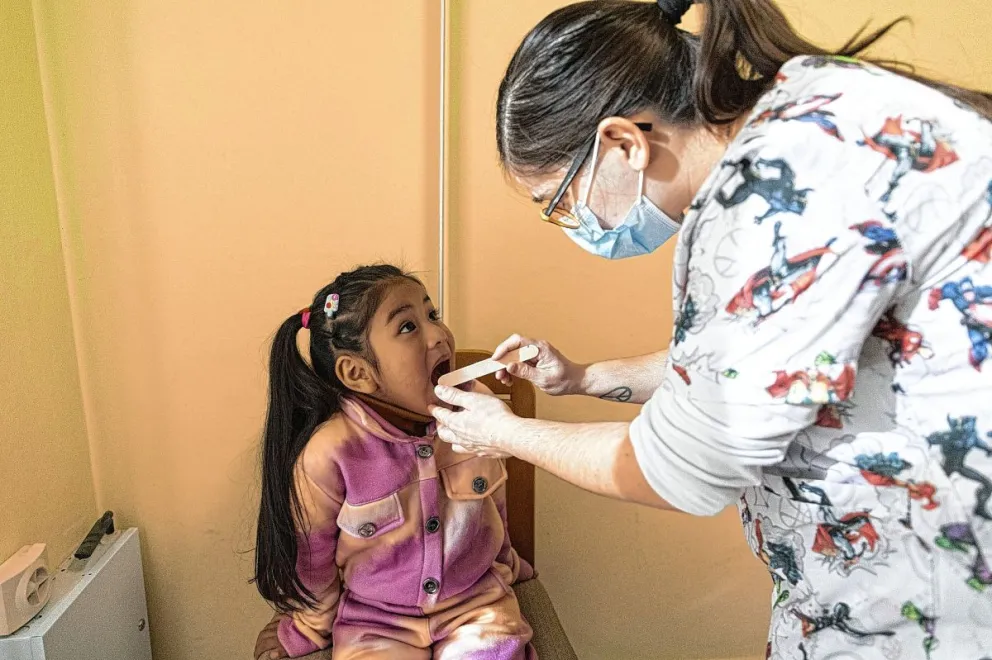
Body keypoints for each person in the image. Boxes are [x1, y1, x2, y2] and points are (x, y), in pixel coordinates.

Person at [430, 0, 992, 657]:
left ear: (623, 143)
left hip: (936, 606)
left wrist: (505, 433)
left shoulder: (775, 194)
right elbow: (750, 366)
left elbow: (679, 469)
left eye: (558, 202)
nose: (571, 224)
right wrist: (583, 377)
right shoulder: (809, 112)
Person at [252, 264, 534, 660]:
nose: (439, 335)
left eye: (432, 315)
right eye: (408, 327)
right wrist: (309, 626)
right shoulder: (330, 452)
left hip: (477, 605)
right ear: (358, 373)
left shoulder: (477, 407)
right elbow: (311, 555)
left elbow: (494, 500)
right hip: (375, 622)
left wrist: (508, 564)